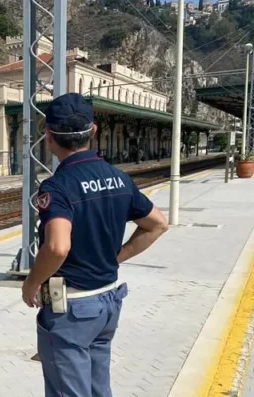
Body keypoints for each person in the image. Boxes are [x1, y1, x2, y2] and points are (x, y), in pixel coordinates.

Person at [21, 93, 169, 397]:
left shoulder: (58, 187)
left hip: (72, 310)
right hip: (108, 303)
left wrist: (31, 283)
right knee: (99, 389)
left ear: (49, 136)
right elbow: (158, 224)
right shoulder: (119, 179)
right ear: (94, 131)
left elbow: (58, 247)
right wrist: (117, 257)